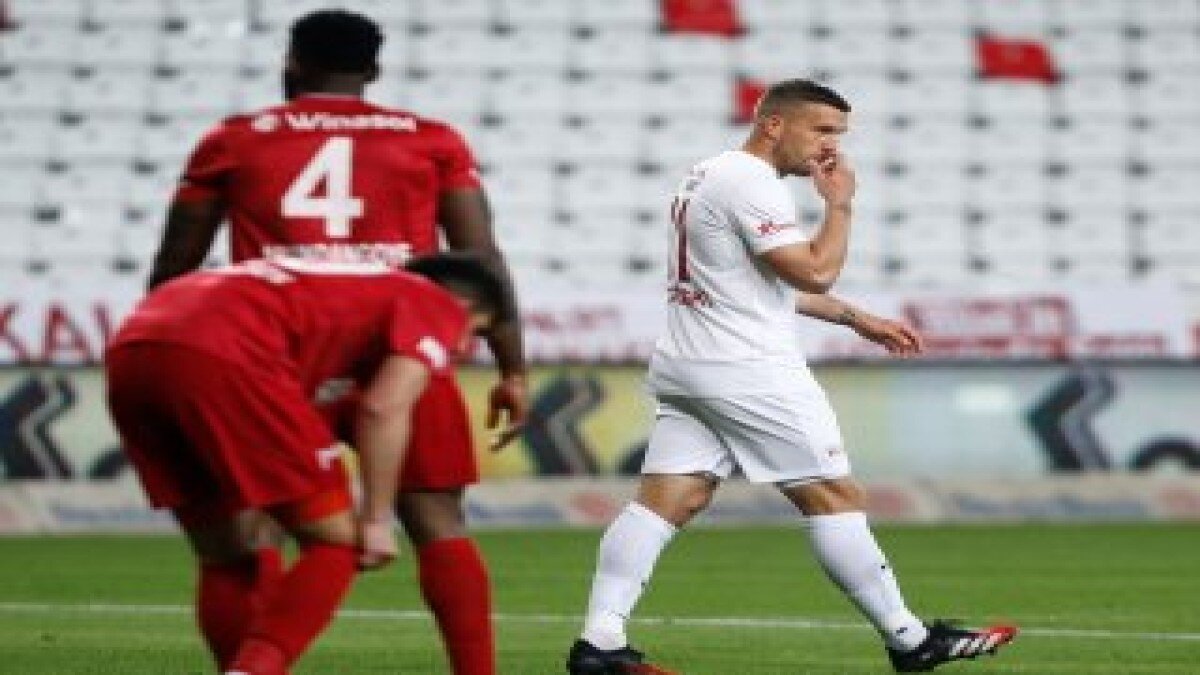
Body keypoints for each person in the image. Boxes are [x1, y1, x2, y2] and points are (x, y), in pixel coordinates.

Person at [565, 80, 1018, 674]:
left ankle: (599, 643)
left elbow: (756, 284)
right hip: (748, 370)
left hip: (688, 365)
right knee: (833, 495)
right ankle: (910, 641)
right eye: (821, 130)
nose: (831, 147)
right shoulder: (753, 183)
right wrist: (840, 205)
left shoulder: (709, 172)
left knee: (669, 499)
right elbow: (814, 272)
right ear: (773, 124)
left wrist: (857, 318)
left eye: (839, 135)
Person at [144, 10, 526, 673]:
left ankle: (246, 665)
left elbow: (177, 262)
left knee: (251, 531)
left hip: (278, 356)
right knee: (437, 519)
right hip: (401, 343)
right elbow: (481, 258)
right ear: (373, 70)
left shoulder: (234, 140)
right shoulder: (432, 140)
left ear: (292, 61)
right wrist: (511, 369)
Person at [105, 253, 506, 675]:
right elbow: (383, 408)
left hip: (133, 349)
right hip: (227, 352)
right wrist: (376, 518)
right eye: (475, 334)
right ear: (463, 307)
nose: (462, 349)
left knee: (228, 556)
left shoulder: (332, 287)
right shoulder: (432, 300)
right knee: (338, 540)